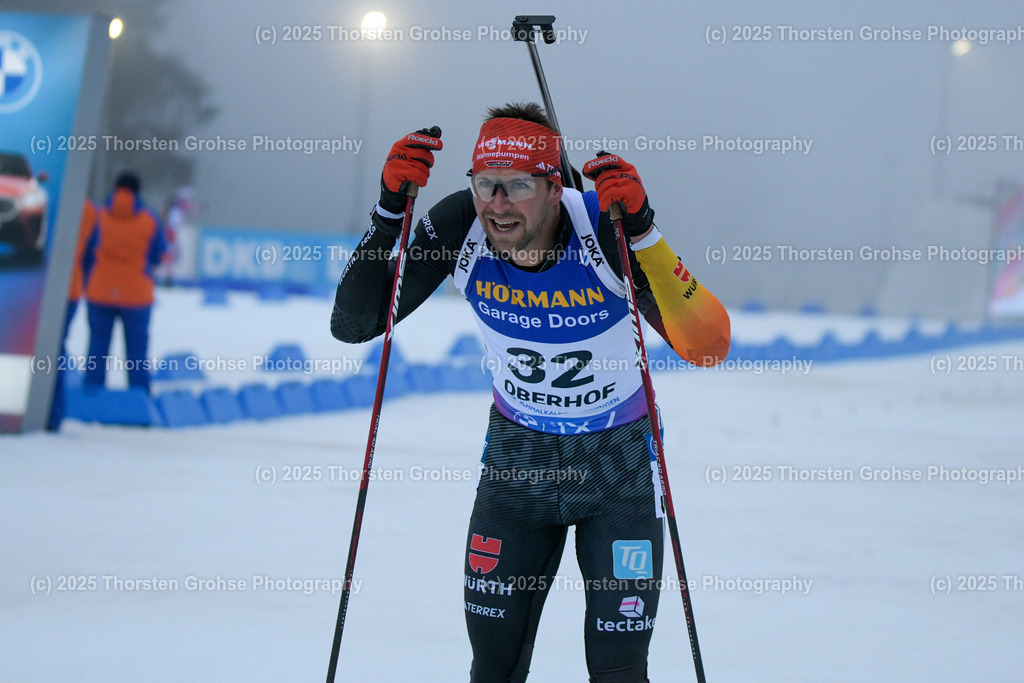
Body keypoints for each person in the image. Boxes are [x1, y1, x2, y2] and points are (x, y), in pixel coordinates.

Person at [331, 103, 730, 682]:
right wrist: (389, 212)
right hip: (516, 464)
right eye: (486, 184)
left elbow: (708, 345)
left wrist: (644, 232)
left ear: (552, 187)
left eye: (517, 186)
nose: (498, 204)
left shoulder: (603, 226)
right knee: (493, 668)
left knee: (619, 671)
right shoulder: (458, 224)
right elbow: (355, 324)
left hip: (614, 462)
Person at [82, 171, 166, 393]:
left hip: (99, 291)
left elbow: (87, 250)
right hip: (136, 295)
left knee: (97, 349)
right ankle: (139, 399)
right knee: (137, 352)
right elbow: (158, 254)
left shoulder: (99, 215)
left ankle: (91, 397)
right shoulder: (150, 219)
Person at [46, 198, 97, 431]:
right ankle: (54, 414)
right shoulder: (88, 209)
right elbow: (92, 254)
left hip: (30, 284)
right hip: (69, 287)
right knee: (55, 350)